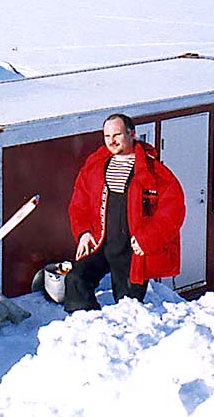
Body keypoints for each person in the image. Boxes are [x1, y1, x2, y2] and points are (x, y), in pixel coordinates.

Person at [64, 113, 185, 312]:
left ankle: (125, 339)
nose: (111, 141)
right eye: (106, 136)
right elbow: (80, 202)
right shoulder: (95, 166)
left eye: (117, 135)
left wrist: (147, 239)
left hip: (131, 250)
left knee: (128, 307)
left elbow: (173, 211)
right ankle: (87, 329)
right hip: (100, 241)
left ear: (132, 134)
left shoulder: (153, 170)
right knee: (76, 280)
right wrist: (83, 232)